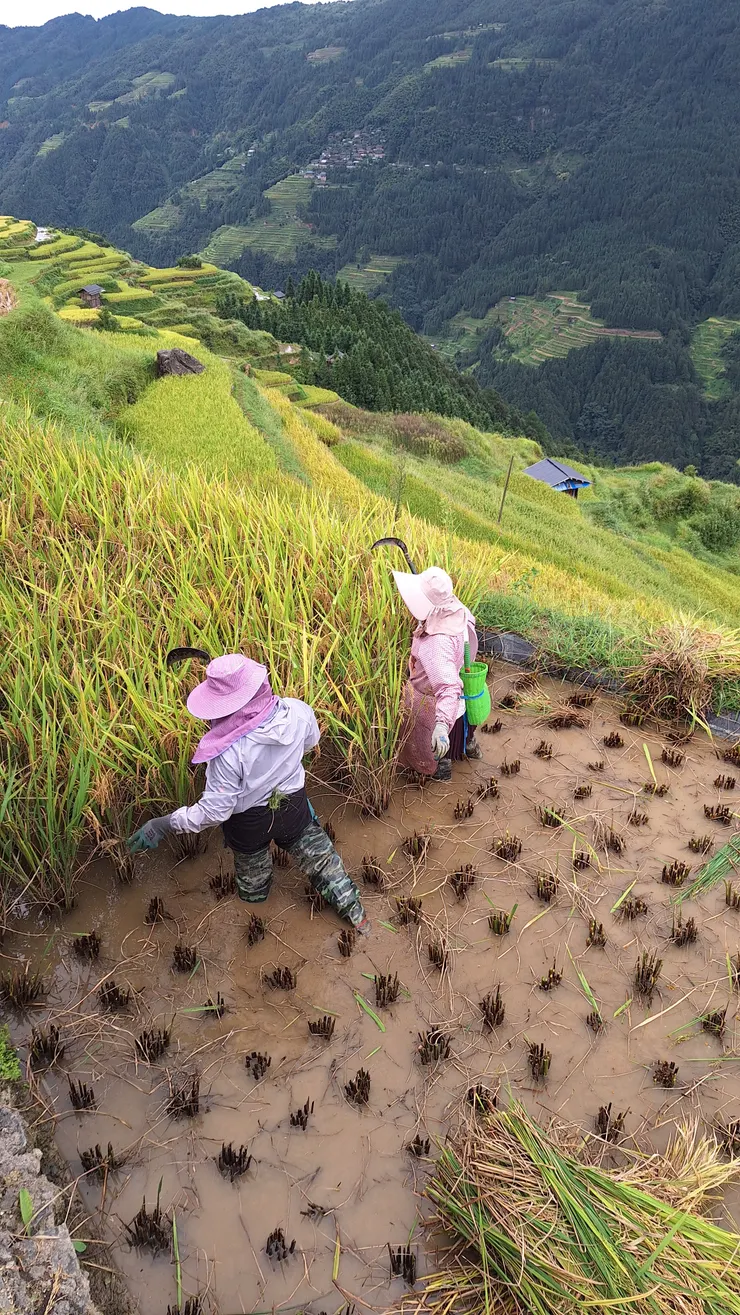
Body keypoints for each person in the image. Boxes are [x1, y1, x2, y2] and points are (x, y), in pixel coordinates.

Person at [127, 654, 369, 933]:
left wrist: (165, 823)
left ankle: (257, 926)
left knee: (253, 884)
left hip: (248, 826)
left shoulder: (227, 752)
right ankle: (359, 919)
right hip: (294, 809)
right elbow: (310, 743)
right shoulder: (298, 711)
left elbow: (215, 811)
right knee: (325, 865)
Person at [393, 567, 481, 781]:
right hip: (461, 696)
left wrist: (441, 726)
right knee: (463, 731)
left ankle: (440, 772)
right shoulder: (459, 610)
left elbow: (448, 688)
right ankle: (469, 747)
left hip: (434, 703)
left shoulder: (436, 643)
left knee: (436, 752)